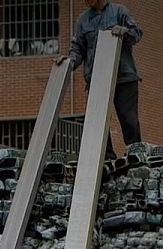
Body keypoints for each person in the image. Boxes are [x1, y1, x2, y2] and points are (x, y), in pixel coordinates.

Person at [59, 0, 142, 160]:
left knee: (129, 121)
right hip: (96, 79)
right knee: (97, 122)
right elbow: (77, 49)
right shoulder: (83, 20)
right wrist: (68, 61)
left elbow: (136, 33)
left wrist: (123, 32)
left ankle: (135, 157)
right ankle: (107, 159)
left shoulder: (119, 11)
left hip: (123, 77)